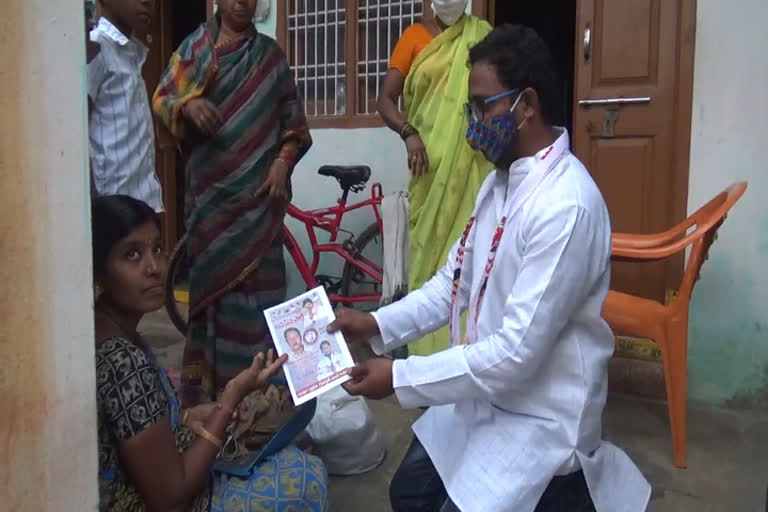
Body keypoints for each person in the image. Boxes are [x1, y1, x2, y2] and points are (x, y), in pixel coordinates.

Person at [330, 25, 651, 512]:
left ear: (527, 105)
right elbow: (450, 285)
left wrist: (398, 377)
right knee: (408, 495)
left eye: (483, 106)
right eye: (470, 109)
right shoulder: (497, 185)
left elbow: (515, 354)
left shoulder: (567, 205)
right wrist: (375, 323)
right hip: (483, 395)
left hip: (539, 416)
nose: (472, 123)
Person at [92, 195, 328, 511]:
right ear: (98, 273)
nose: (154, 268)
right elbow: (170, 500)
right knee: (306, 477)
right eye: (132, 255)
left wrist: (198, 414)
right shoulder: (124, 363)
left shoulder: (106, 333)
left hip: (160, 471)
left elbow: (139, 426)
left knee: (290, 443)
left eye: (158, 249)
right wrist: (230, 398)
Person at [153, 0, 312, 406]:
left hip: (260, 208)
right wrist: (187, 104)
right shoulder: (194, 50)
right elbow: (163, 98)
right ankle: (211, 399)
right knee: (214, 304)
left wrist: (281, 163)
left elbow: (293, 122)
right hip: (211, 206)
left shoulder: (271, 58)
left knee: (262, 304)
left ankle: (261, 402)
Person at [376, 0, 493, 356]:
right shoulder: (412, 38)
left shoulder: (482, 36)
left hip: (472, 166)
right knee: (430, 263)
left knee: (473, 256)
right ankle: (428, 357)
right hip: (427, 168)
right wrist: (409, 132)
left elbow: (495, 96)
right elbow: (385, 100)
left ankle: (468, 352)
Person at [88, 0, 164, 212]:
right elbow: (75, 131)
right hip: (112, 205)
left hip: (142, 199)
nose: (149, 3)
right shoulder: (96, 47)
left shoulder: (131, 52)